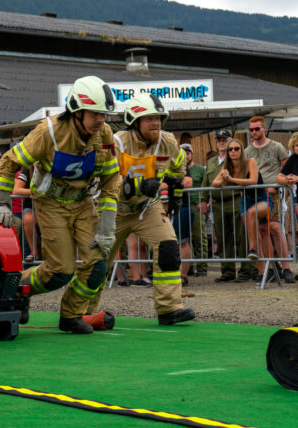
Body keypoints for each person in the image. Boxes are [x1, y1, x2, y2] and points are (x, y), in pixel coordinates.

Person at [0, 75, 120, 334]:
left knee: (98, 266)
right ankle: (18, 287)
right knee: (60, 271)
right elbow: (9, 161)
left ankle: (71, 316)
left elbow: (111, 179)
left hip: (84, 202)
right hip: (50, 203)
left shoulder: (104, 133)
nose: (101, 120)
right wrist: (1, 203)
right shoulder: (48, 131)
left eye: (104, 115)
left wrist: (107, 227)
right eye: (95, 114)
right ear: (76, 111)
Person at [88, 92, 195, 326]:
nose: (156, 122)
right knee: (98, 261)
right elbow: (105, 178)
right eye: (149, 118)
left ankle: (169, 309)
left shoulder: (167, 141)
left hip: (147, 207)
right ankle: (82, 311)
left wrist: (176, 193)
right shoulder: (117, 142)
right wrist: (134, 186)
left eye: (158, 118)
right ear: (135, 121)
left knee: (168, 247)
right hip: (114, 209)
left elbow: (179, 166)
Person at [199, 129, 254, 283]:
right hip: (218, 204)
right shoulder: (211, 161)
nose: (221, 142)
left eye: (225, 139)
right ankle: (228, 271)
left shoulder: (235, 159)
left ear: (231, 141)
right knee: (223, 239)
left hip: (236, 200)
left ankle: (246, 270)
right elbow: (206, 181)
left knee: (241, 237)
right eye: (219, 140)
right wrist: (203, 200)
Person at [245, 116, 294, 283]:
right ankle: (270, 269)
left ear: (264, 129)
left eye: (257, 129)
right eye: (251, 130)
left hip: (274, 192)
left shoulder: (277, 146)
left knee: (275, 228)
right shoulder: (247, 151)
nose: (254, 132)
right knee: (262, 230)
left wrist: (281, 186)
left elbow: (288, 168)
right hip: (256, 194)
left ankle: (287, 268)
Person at [212, 139, 270, 278]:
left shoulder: (250, 162)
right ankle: (263, 273)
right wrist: (224, 179)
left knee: (258, 222)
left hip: (261, 198)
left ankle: (255, 250)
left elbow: (253, 181)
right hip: (246, 200)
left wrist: (231, 180)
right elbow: (215, 183)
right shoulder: (228, 167)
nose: (233, 151)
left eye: (236, 149)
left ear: (242, 150)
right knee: (254, 235)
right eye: (230, 149)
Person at [182, 143, 208, 277]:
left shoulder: (200, 169)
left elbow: (208, 184)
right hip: (183, 205)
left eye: (188, 153)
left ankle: (202, 266)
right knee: (185, 237)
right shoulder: (178, 169)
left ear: (192, 154)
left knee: (199, 236)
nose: (186, 155)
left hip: (196, 205)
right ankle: (189, 266)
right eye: (183, 153)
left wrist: (205, 202)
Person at [12, 166, 38, 262]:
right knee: (27, 219)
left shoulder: (52, 169)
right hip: (30, 207)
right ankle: (33, 252)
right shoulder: (26, 172)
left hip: (49, 207)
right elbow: (16, 190)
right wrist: (36, 192)